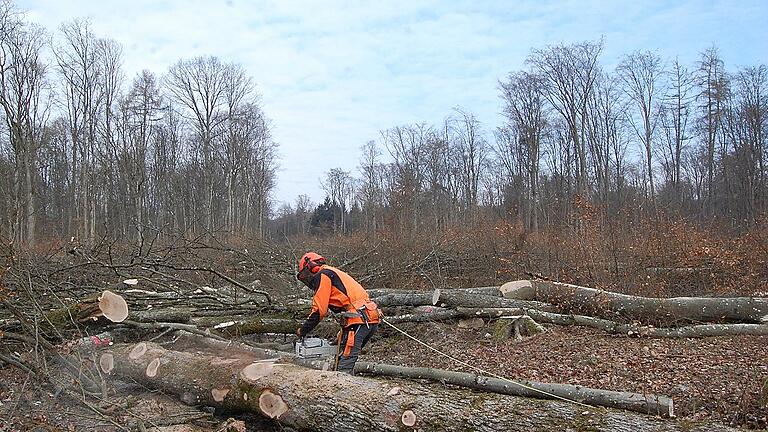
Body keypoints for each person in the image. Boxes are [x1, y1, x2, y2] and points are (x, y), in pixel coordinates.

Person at [295, 252, 380, 374]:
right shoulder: (332, 272)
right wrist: (339, 337)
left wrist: (303, 330)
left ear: (310, 266)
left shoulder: (323, 275)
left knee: (345, 364)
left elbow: (319, 310)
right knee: (343, 356)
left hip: (359, 319)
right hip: (368, 317)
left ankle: (345, 389)